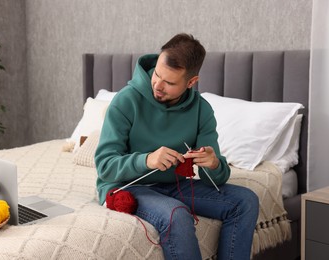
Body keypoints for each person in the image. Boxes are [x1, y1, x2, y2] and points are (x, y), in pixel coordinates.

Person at [94, 33, 259, 260]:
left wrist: (213, 164)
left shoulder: (202, 110)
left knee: (245, 201)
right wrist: (147, 160)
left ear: (191, 82)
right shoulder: (126, 100)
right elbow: (104, 166)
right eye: (157, 75)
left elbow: (218, 177)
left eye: (169, 82)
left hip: (177, 187)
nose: (158, 85)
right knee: (177, 215)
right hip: (128, 186)